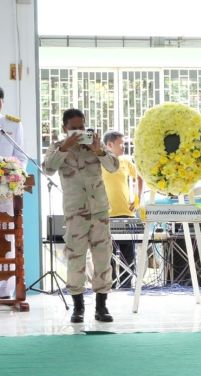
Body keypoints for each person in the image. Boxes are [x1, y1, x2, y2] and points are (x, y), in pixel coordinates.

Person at [43, 108, 119, 323]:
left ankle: (101, 306)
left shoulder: (96, 144)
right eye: (73, 128)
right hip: (75, 212)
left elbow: (114, 167)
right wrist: (64, 148)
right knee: (75, 258)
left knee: (102, 257)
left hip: (99, 211)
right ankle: (78, 307)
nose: (78, 131)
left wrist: (99, 151)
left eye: (81, 127)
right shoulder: (57, 147)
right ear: (64, 128)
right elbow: (48, 169)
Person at [101, 130, 143, 288]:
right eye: (121, 144)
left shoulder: (126, 161)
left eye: (124, 144)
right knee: (108, 254)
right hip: (106, 215)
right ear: (109, 145)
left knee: (128, 253)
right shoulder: (99, 162)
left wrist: (137, 198)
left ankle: (126, 285)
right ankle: (109, 285)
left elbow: (139, 177)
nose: (124, 147)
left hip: (127, 213)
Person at [0, 86, 29, 299]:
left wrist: (13, 173)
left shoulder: (12, 124)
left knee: (6, 239)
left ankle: (5, 289)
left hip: (5, 191)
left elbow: (20, 157)